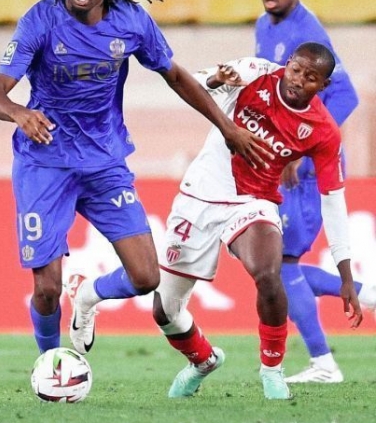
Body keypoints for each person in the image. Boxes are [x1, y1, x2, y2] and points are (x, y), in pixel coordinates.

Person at [0, 0, 271, 356]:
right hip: (45, 162)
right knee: (46, 288)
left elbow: (176, 76)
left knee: (146, 277)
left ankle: (88, 294)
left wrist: (227, 127)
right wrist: (18, 113)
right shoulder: (39, 21)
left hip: (104, 161)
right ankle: (50, 363)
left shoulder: (131, 21)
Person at [151, 42, 363, 400]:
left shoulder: (323, 131)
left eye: (311, 77)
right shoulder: (255, 72)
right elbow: (193, 83)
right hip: (199, 195)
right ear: (287, 64)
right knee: (165, 311)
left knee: (268, 273)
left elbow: (333, 201)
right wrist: (217, 80)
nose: (298, 80)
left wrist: (345, 275)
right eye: (296, 70)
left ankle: (272, 371)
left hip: (253, 202)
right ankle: (203, 360)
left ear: (323, 86)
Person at [255, 0, 376, 384]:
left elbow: (345, 96)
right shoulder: (263, 26)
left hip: (304, 167)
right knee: (272, 267)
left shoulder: (307, 32)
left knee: (281, 264)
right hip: (280, 160)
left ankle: (324, 363)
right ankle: (367, 294)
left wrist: (302, 151)